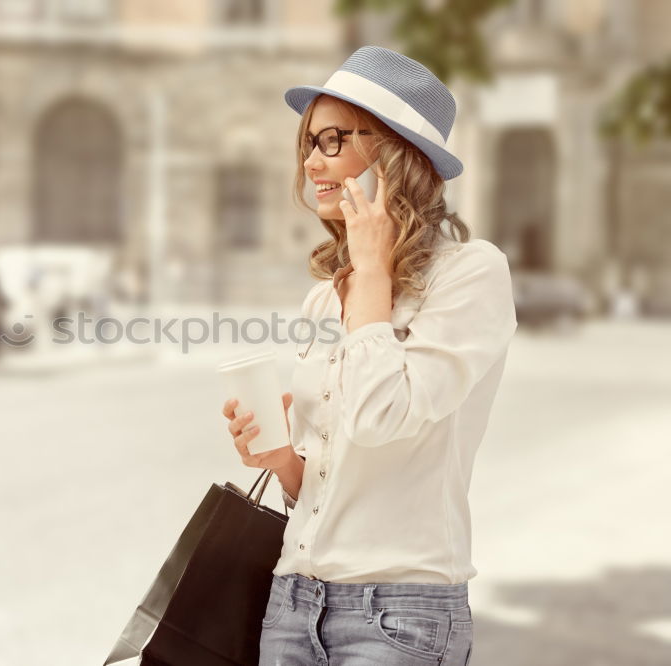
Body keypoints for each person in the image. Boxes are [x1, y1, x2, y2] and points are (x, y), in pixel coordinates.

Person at [221, 46, 517, 665]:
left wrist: (375, 271)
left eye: (332, 140)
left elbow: (382, 416)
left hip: (401, 616)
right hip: (292, 604)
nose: (311, 160)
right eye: (308, 141)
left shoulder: (471, 275)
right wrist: (284, 461)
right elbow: (330, 482)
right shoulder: (323, 299)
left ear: (395, 151)